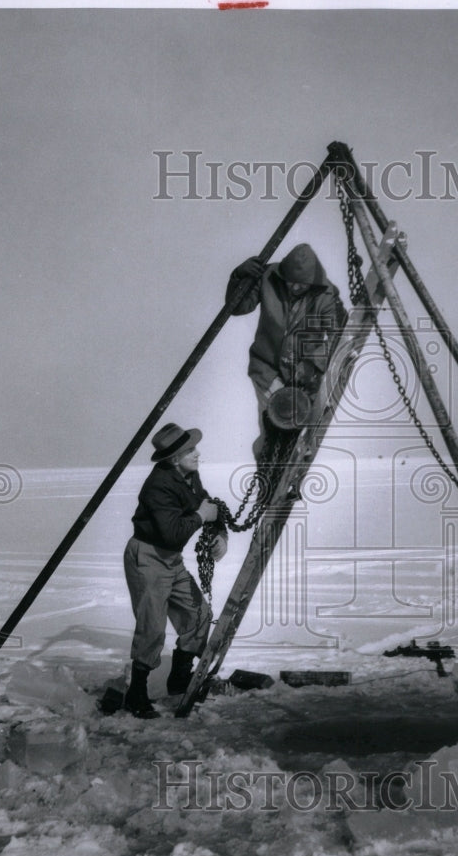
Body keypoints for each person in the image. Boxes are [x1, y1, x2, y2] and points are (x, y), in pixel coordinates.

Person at [122, 423, 228, 719]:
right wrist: (200, 515)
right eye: (190, 450)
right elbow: (172, 533)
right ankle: (136, 694)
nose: (197, 454)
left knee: (199, 615)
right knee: (152, 626)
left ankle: (179, 679)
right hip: (148, 557)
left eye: (193, 448)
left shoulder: (189, 475)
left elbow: (209, 505)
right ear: (173, 459)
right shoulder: (159, 485)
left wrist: (220, 532)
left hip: (170, 559)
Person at [226, 243, 348, 459]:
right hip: (267, 369)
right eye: (290, 282)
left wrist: (311, 363)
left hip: (304, 377)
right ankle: (266, 477)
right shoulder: (269, 278)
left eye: (301, 285)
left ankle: (288, 478)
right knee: (273, 428)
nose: (294, 288)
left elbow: (338, 337)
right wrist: (238, 276)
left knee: (296, 433)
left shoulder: (326, 296)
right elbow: (237, 307)